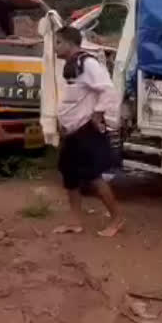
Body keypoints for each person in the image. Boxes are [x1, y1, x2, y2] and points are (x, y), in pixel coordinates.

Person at [53, 26, 124, 237]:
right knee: (70, 177)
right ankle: (75, 222)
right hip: (71, 133)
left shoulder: (89, 63)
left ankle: (118, 219)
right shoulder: (72, 65)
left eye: (57, 42)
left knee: (94, 177)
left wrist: (97, 113)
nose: (55, 47)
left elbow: (108, 90)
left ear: (68, 43)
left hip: (85, 132)